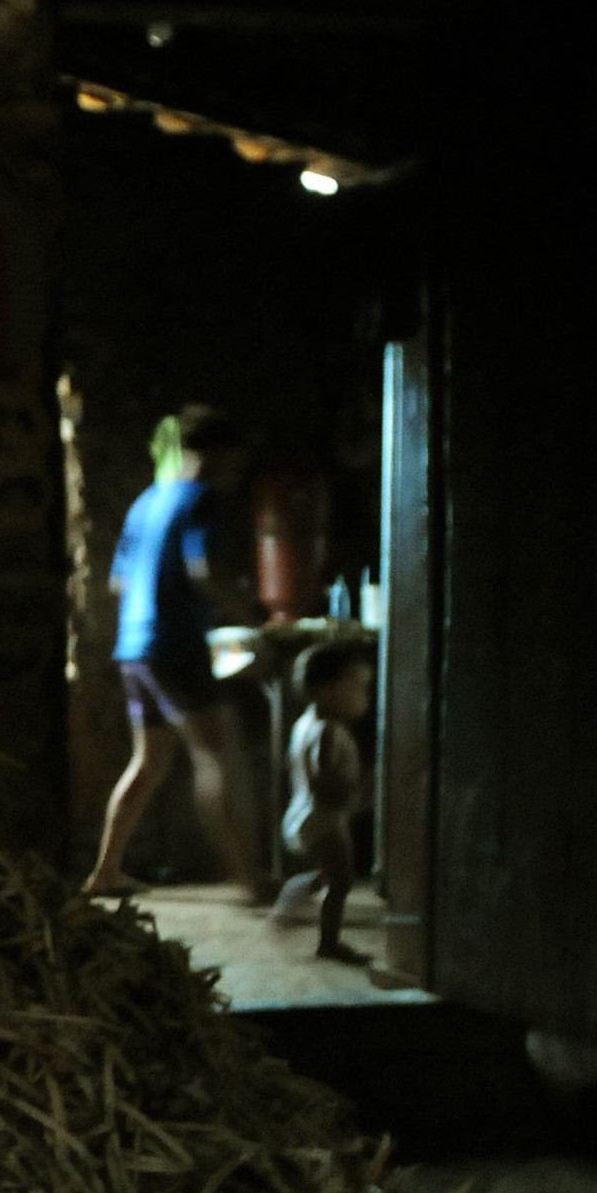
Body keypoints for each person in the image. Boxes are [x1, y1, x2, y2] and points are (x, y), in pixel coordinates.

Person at [82, 404, 264, 900]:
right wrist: (251, 618)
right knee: (214, 757)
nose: (235, 472)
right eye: (234, 461)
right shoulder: (200, 500)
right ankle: (249, 878)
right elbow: (203, 568)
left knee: (148, 761)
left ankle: (105, 871)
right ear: (220, 455)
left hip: (134, 649)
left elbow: (119, 581)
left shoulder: (146, 501)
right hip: (173, 646)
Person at [270, 641, 376, 963]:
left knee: (328, 875)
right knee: (341, 881)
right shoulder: (327, 731)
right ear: (325, 690)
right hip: (323, 818)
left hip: (306, 816)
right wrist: (356, 793)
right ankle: (328, 942)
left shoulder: (306, 723)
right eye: (357, 686)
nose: (363, 696)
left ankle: (289, 901)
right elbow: (323, 778)